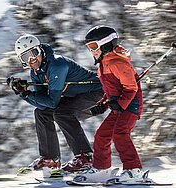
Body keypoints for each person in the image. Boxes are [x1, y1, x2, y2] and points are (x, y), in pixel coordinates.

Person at [8, 34, 104, 174]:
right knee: (41, 114)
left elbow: (52, 102)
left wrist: (27, 94)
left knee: (62, 113)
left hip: (98, 94)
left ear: (39, 50)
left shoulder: (57, 64)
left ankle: (85, 158)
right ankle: (50, 160)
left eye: (32, 53)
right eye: (25, 57)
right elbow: (42, 104)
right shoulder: (36, 72)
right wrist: (23, 93)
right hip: (76, 98)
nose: (31, 59)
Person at [77, 25, 144, 183]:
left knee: (120, 133)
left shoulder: (117, 63)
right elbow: (111, 90)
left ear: (106, 44)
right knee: (102, 134)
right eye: (89, 47)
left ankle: (133, 170)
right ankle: (101, 169)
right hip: (120, 106)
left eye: (93, 46)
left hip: (131, 106)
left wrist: (120, 104)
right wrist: (104, 103)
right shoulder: (103, 66)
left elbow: (131, 88)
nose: (91, 51)